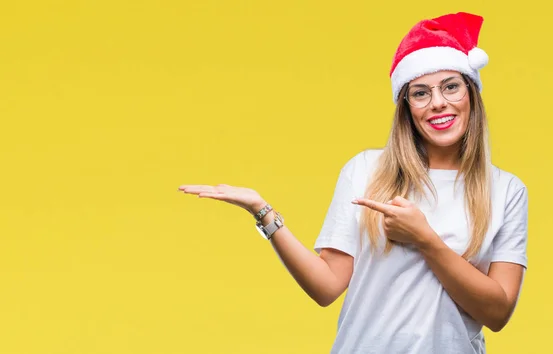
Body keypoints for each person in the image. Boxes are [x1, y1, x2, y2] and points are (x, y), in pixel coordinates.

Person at [178, 11, 528, 354]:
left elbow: (497, 313)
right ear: (406, 106)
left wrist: (426, 240)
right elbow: (326, 287)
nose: (438, 103)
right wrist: (263, 212)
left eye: (451, 87)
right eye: (420, 93)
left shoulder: (506, 191)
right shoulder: (366, 170)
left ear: (471, 94)